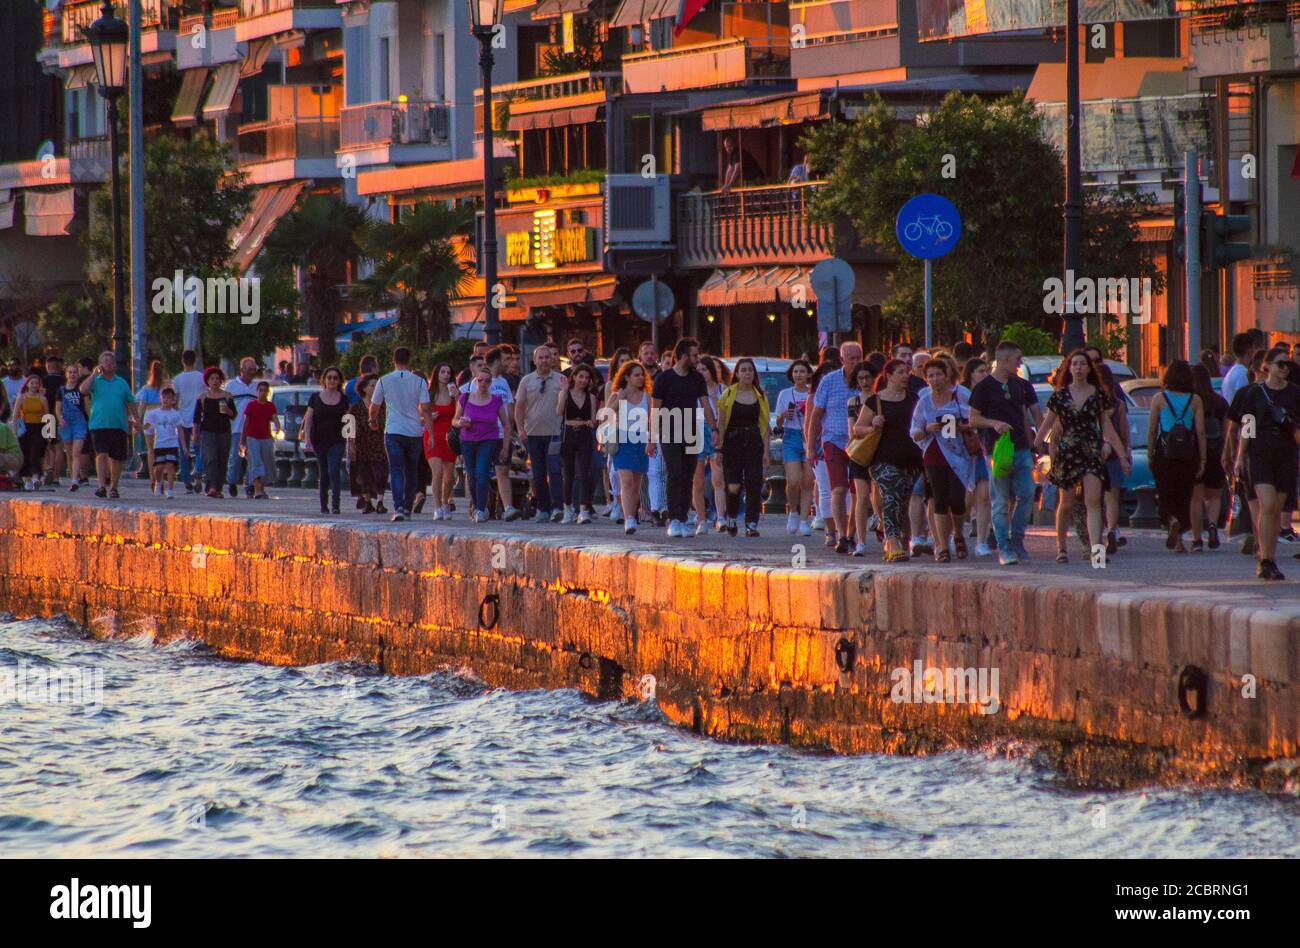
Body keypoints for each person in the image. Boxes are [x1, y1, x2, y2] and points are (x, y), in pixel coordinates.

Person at [1035, 350, 1129, 564]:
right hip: (1067, 453)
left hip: (1091, 452)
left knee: (1093, 502)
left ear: (1088, 369)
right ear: (1069, 368)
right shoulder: (1059, 396)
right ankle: (1062, 548)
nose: (1078, 367)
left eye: (1082, 364)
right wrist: (1036, 446)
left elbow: (1109, 429)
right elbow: (1047, 424)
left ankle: (1097, 553)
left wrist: (1122, 456)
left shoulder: (1098, 395)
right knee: (1066, 502)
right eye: (1074, 364)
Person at [1224, 350, 1299, 580]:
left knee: (1276, 509)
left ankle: (1270, 559)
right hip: (1260, 454)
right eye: (1280, 364)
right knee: (1266, 504)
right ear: (1266, 366)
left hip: (1286, 454)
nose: (1285, 368)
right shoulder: (1255, 394)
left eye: (1287, 365)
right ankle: (1264, 559)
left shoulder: (1295, 393)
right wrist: (1239, 457)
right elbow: (1248, 426)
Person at [968, 340, 1043, 566]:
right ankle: (1004, 546)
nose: (1020, 363)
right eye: (1018, 359)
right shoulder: (983, 388)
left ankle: (1018, 540)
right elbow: (973, 418)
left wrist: (1037, 444)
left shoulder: (1022, 385)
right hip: (997, 450)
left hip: (1021, 448)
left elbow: (1033, 415)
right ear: (1005, 360)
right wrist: (993, 423)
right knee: (1000, 499)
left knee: (1028, 493)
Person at [910, 358, 978, 562]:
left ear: (947, 374)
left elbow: (974, 420)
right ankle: (941, 546)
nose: (935, 379)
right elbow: (914, 430)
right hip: (934, 453)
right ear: (926, 379)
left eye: (938, 374)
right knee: (939, 500)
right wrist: (927, 429)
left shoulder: (960, 395)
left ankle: (958, 534)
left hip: (959, 454)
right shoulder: (924, 401)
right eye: (930, 375)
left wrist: (961, 425)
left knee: (957, 500)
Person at [853, 359, 922, 562]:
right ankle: (892, 542)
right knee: (891, 495)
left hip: (911, 460)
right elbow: (857, 429)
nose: (905, 375)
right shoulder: (875, 401)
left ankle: (902, 538)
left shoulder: (914, 399)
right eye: (900, 372)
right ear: (889, 376)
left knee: (903, 501)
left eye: (907, 372)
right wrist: (873, 424)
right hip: (883, 459)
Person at [650, 338, 717, 539]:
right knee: (675, 473)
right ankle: (674, 520)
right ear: (684, 356)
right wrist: (652, 439)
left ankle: (683, 516)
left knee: (688, 475)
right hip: (669, 430)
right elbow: (655, 409)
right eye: (695, 355)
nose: (698, 359)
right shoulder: (664, 378)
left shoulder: (696, 378)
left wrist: (714, 429)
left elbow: (705, 405)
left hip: (691, 429)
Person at [808, 342, 863, 554]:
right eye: (852, 359)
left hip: (859, 442)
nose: (856, 362)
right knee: (838, 489)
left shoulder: (865, 380)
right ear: (842, 360)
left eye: (859, 357)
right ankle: (841, 534)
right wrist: (811, 446)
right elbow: (816, 415)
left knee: (859, 492)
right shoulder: (829, 381)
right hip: (833, 441)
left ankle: (851, 534)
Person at [1145, 360, 1205, 554]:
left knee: (1165, 493)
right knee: (1183, 494)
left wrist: (1150, 454)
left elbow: (1153, 429)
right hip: (1188, 454)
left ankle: (1171, 521)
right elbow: (1201, 432)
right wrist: (1203, 459)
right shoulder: (1195, 400)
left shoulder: (1159, 399)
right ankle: (1180, 538)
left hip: (1165, 452)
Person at [369, 348, 431, 523]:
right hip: (414, 432)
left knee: (396, 470)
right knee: (411, 471)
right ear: (409, 360)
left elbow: (374, 406)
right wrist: (431, 433)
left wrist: (372, 420)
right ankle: (408, 507)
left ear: (393, 360)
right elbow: (426, 409)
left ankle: (398, 508)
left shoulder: (384, 380)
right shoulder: (419, 381)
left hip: (393, 431)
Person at [716, 357, 768, 537]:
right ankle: (730, 516)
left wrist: (766, 451)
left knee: (754, 482)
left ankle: (751, 523)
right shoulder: (728, 394)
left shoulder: (760, 395)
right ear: (736, 374)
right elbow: (721, 423)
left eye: (750, 370)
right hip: (732, 442)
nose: (747, 373)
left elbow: (765, 425)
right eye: (743, 370)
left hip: (753, 441)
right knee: (733, 484)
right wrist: (719, 448)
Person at [453, 363, 511, 523]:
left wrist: (505, 447)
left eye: (487, 381)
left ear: (490, 383)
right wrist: (460, 423)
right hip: (468, 440)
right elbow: (454, 420)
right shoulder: (465, 398)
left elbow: (506, 424)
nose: (483, 384)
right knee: (471, 475)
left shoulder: (496, 400)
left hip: (488, 439)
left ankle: (480, 509)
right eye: (480, 380)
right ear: (475, 381)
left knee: (481, 472)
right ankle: (478, 505)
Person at [468, 345, 519, 521]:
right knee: (478, 473)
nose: (509, 363)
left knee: (502, 470)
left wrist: (510, 431)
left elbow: (510, 407)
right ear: (497, 360)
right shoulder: (477, 382)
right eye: (506, 359)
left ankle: (508, 507)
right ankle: (478, 506)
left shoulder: (504, 382)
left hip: (500, 434)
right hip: (481, 435)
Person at [79, 351, 139, 499]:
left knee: (116, 458)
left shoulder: (121, 382)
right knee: (101, 454)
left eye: (111, 362)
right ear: (100, 364)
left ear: (115, 365)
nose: (109, 364)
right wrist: (93, 374)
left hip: (118, 425)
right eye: (105, 361)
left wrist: (136, 419)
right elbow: (83, 390)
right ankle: (101, 486)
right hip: (99, 424)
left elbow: (130, 401)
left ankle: (113, 487)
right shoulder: (96, 381)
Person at [515, 344, 564, 523]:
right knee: (538, 473)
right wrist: (520, 429)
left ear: (552, 359)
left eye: (547, 357)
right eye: (540, 358)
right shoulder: (526, 381)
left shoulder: (561, 380)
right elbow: (519, 407)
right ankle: (543, 508)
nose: (544, 361)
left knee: (555, 470)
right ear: (534, 361)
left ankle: (557, 507)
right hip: (533, 434)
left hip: (554, 433)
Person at [605, 359, 651, 535]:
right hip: (622, 440)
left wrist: (651, 441)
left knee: (636, 483)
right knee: (626, 481)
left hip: (641, 441)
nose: (640, 378)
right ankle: (629, 519)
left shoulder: (646, 397)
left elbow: (652, 420)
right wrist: (621, 400)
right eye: (636, 375)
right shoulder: (617, 395)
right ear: (627, 377)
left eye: (642, 375)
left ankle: (632, 514)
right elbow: (605, 416)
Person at [1189, 362, 1228, 552]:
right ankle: (1212, 525)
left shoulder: (1191, 402)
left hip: (1195, 453)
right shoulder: (1219, 402)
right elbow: (1228, 430)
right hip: (1217, 451)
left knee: (1196, 498)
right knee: (1214, 496)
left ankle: (1197, 539)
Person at [303, 367, 350, 516]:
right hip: (319, 440)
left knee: (334, 470)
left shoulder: (344, 399)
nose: (332, 380)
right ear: (324, 380)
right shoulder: (315, 398)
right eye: (329, 377)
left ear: (339, 381)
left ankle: (336, 505)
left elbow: (349, 421)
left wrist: (351, 441)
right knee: (323, 473)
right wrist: (307, 438)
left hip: (337, 440)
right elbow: (309, 418)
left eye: (335, 378)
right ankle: (324, 505)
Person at [1094, 363, 1130, 555]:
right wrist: (1126, 455)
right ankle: (1111, 530)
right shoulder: (1118, 404)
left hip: (1092, 453)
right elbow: (1123, 433)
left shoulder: (1090, 401)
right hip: (1115, 455)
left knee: (1094, 501)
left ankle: (1097, 539)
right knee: (1112, 498)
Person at [556, 364, 599, 524]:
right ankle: (567, 509)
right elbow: (559, 412)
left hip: (585, 436)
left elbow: (594, 420)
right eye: (581, 377)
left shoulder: (591, 397)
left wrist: (590, 422)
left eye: (587, 378)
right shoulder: (565, 394)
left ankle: (583, 510)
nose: (584, 380)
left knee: (584, 473)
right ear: (574, 377)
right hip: (569, 435)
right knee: (568, 474)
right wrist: (564, 392)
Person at [845, 362, 880, 556]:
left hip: (879, 451)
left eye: (868, 377)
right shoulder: (853, 402)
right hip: (859, 451)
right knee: (861, 495)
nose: (865, 381)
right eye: (860, 378)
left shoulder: (880, 400)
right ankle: (860, 541)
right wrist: (871, 429)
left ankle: (880, 523)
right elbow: (853, 429)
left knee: (879, 495)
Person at [776, 359, 813, 537]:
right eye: (796, 372)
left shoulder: (812, 394)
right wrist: (785, 415)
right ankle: (793, 511)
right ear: (792, 374)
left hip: (809, 437)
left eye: (802, 372)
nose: (799, 375)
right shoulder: (785, 394)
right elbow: (778, 421)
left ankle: (805, 520)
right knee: (793, 480)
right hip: (791, 436)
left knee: (807, 481)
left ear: (808, 375)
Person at [960, 358, 992, 556]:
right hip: (963, 452)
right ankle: (956, 534)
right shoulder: (960, 394)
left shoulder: (991, 392)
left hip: (983, 449)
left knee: (984, 497)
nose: (985, 374)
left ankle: (981, 541)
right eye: (981, 371)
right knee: (963, 501)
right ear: (970, 373)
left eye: (987, 370)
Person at [694, 355, 730, 533]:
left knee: (718, 478)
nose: (701, 373)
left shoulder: (723, 389)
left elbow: (724, 414)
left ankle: (721, 516)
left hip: (716, 430)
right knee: (698, 480)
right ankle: (701, 519)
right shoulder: (691, 391)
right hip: (696, 431)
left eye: (705, 370)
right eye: (698, 370)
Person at [348, 373, 389, 515]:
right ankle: (367, 501)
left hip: (379, 443)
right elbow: (349, 428)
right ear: (364, 388)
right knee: (364, 474)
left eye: (377, 386)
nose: (375, 388)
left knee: (381, 473)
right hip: (362, 444)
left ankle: (380, 501)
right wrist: (350, 444)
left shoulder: (383, 406)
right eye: (373, 385)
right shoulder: (355, 408)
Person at [192, 367, 236, 498]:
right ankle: (211, 487)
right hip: (207, 432)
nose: (215, 381)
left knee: (222, 460)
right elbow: (196, 419)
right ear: (207, 381)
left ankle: (218, 488)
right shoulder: (202, 398)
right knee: (211, 459)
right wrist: (195, 434)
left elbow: (234, 414)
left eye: (217, 378)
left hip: (224, 432)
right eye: (212, 378)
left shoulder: (227, 396)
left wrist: (228, 411)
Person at [424, 364, 457, 520]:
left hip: (449, 437)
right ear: (436, 374)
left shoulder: (454, 394)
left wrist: (457, 396)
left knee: (449, 477)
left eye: (448, 372)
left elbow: (461, 412)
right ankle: (437, 507)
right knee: (437, 473)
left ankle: (445, 503)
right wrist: (430, 417)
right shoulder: (429, 394)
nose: (445, 375)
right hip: (432, 436)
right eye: (442, 372)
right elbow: (421, 417)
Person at [224, 357, 260, 498]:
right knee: (235, 458)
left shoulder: (256, 387)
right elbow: (224, 406)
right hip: (236, 428)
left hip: (252, 430)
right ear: (242, 370)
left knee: (252, 459)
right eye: (249, 369)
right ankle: (232, 482)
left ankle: (250, 485)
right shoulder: (231, 386)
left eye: (254, 370)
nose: (252, 372)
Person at [142, 386, 186, 499]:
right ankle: (158, 482)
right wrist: (138, 427)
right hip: (159, 444)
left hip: (172, 444)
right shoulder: (154, 413)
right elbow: (147, 426)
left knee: (171, 466)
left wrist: (184, 447)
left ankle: (170, 489)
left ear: (173, 400)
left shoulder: (175, 414)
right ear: (161, 398)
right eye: (164, 397)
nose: (166, 400)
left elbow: (180, 430)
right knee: (159, 467)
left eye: (169, 398)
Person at [239, 380, 280, 500]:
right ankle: (257, 489)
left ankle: (260, 488)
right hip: (252, 438)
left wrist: (278, 427)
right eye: (260, 390)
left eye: (265, 391)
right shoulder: (251, 405)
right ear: (257, 392)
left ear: (268, 392)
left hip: (266, 438)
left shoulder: (270, 406)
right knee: (256, 462)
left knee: (267, 463)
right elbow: (245, 423)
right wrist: (242, 439)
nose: (262, 393)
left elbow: (275, 418)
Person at [172, 349, 205, 492]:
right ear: (195, 360)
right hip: (198, 418)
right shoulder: (201, 377)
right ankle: (198, 471)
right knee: (200, 449)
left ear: (182, 361)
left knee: (183, 450)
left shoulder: (177, 379)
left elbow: (176, 400)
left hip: (182, 418)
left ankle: (187, 481)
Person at [11, 374, 49, 492]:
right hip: (25, 429)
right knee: (25, 454)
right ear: (27, 384)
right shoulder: (21, 398)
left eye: (36, 383)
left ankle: (36, 477)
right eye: (32, 383)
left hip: (39, 428)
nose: (34, 385)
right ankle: (27, 480)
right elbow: (15, 416)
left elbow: (47, 416)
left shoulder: (42, 399)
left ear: (39, 385)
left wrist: (49, 434)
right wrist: (14, 432)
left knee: (36, 453)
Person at [55, 361, 88, 491]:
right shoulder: (61, 390)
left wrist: (90, 420)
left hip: (79, 422)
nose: (72, 374)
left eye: (75, 372)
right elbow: (57, 408)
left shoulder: (81, 389)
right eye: (70, 372)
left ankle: (75, 480)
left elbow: (86, 407)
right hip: (66, 423)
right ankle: (73, 476)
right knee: (69, 453)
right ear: (66, 374)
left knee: (76, 452)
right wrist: (60, 419)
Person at [133, 360, 164, 484]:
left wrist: (137, 422)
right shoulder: (165, 388)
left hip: (149, 415)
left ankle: (153, 476)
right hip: (161, 415)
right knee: (161, 448)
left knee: (150, 448)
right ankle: (160, 476)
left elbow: (142, 407)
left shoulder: (146, 389)